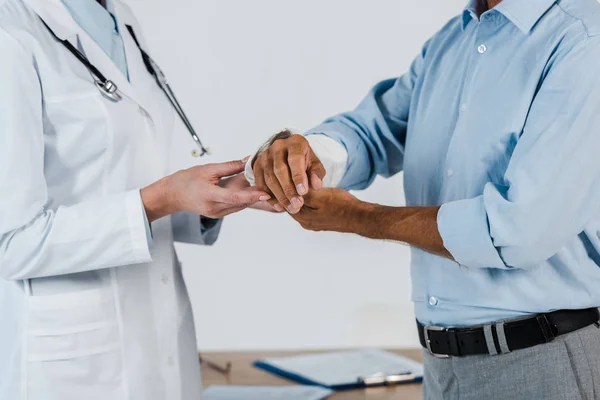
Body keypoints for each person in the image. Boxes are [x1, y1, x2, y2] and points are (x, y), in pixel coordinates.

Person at [246, 0, 600, 398]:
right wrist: (309, 155)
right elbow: (379, 128)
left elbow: (520, 230)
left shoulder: (584, 41)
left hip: (542, 363)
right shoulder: (453, 40)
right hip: (441, 368)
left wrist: (359, 218)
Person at [0, 0, 270, 399]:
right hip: (73, 366)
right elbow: (12, 242)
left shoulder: (119, 18)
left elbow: (117, 180)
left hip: (158, 336)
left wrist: (210, 198)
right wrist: (163, 198)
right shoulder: (11, 31)